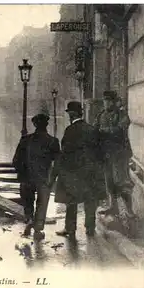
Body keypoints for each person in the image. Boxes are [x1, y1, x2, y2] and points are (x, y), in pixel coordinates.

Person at [50, 101, 106, 238]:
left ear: (73, 114)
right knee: (90, 199)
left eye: (69, 113)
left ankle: (70, 229)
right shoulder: (92, 129)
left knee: (71, 201)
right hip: (91, 171)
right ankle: (90, 228)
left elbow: (65, 152)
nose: (69, 116)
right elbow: (100, 152)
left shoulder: (70, 130)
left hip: (74, 172)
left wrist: (57, 173)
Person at [13, 113, 60, 240]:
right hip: (44, 178)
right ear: (47, 125)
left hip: (27, 178)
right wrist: (53, 178)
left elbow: (16, 161)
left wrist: (22, 174)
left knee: (28, 202)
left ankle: (29, 219)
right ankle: (38, 229)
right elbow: (58, 163)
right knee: (42, 204)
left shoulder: (25, 140)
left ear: (34, 124)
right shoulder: (53, 141)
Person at [94, 91, 135, 217]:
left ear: (114, 101)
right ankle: (113, 207)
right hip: (106, 154)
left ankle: (129, 211)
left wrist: (104, 131)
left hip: (119, 154)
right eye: (105, 101)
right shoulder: (101, 115)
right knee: (109, 181)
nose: (106, 103)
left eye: (109, 101)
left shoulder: (121, 114)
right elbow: (95, 129)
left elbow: (121, 128)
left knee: (122, 182)